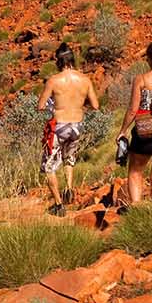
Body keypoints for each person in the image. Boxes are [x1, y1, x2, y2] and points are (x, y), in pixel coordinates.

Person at [39, 43, 98, 215]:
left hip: (59, 126)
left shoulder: (53, 80)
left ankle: (59, 205)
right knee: (69, 158)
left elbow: (40, 106)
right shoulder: (85, 80)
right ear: (73, 59)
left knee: (49, 167)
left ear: (59, 61)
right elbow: (95, 105)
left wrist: (54, 105)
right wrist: (78, 104)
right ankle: (69, 189)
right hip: (77, 125)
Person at [118, 42, 152, 205]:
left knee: (135, 170)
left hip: (144, 131)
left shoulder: (141, 79)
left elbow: (133, 109)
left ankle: (136, 207)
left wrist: (122, 131)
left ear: (148, 59)